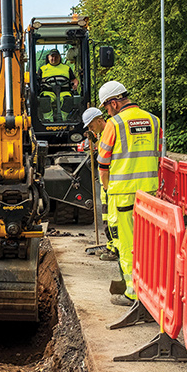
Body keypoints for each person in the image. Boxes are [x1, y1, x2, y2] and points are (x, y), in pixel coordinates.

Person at [95, 80, 161, 305]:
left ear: (114, 103)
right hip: (150, 193)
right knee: (149, 244)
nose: (106, 111)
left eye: (106, 106)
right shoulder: (154, 120)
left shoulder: (114, 124)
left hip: (123, 195)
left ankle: (133, 293)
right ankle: (152, 289)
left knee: (128, 246)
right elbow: (158, 155)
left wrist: (106, 188)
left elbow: (103, 164)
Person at [79, 107, 119, 263]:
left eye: (91, 126)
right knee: (107, 219)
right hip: (106, 182)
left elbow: (105, 154)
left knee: (112, 220)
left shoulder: (110, 129)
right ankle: (110, 246)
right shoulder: (103, 133)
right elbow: (102, 147)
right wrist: (94, 140)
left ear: (99, 120)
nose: (91, 129)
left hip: (109, 181)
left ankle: (114, 249)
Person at [38, 49, 77, 122]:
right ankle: (48, 120)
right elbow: (37, 81)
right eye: (52, 56)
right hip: (48, 92)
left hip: (64, 92)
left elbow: (74, 80)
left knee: (68, 99)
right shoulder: (42, 69)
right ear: (48, 57)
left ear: (59, 57)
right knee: (45, 100)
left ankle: (63, 119)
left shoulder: (66, 68)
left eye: (56, 56)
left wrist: (75, 84)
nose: (54, 58)